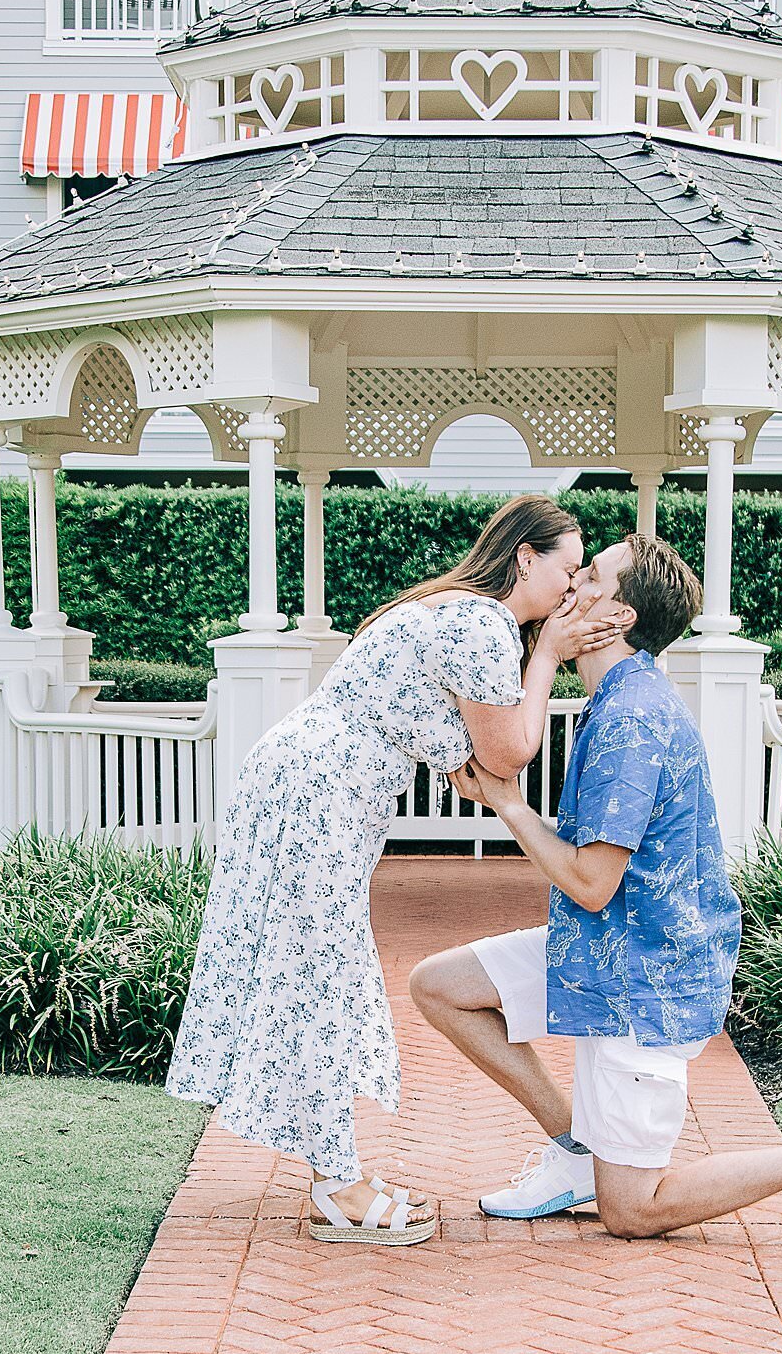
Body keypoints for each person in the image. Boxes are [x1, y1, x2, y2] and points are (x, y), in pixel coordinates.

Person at [410, 532, 782, 1249]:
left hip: (645, 980)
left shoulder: (630, 720)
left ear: (615, 618)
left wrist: (509, 805)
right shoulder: (619, 697)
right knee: (441, 986)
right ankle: (577, 1151)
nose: (568, 586)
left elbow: (590, 883)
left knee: (633, 1211)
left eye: (587, 577)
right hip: (603, 952)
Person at [165, 494, 627, 1247]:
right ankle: (335, 1185)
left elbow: (478, 758)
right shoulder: (481, 624)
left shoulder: (459, 613)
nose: (572, 592)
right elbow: (508, 754)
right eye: (567, 572)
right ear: (524, 558)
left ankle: (334, 1170)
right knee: (316, 972)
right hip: (312, 798)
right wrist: (548, 654)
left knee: (315, 970)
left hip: (308, 791)